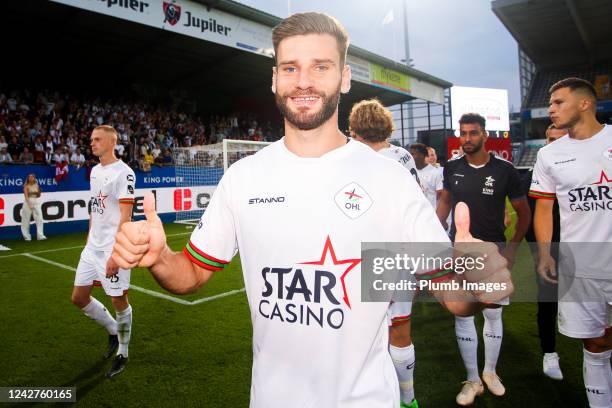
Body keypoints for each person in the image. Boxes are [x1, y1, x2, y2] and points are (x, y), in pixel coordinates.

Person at [111, 13, 513, 408]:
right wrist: (161, 258)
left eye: (321, 66)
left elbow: (455, 299)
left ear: (344, 77)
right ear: (274, 79)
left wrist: (482, 286)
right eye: (290, 67)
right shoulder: (243, 177)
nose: (303, 81)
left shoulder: (389, 179)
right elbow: (193, 273)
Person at [436, 113, 531, 406]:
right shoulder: (451, 167)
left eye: (473, 133)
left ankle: (490, 372)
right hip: (460, 253)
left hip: (493, 253)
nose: (467, 139)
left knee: (492, 313)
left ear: (484, 135)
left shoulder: (505, 170)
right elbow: (444, 204)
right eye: (463, 133)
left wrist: (513, 249)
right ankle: (472, 379)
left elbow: (523, 212)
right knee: (463, 314)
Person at [530, 77, 612, 408]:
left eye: (558, 102)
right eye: (549, 103)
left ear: (584, 103)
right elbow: (545, 208)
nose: (551, 109)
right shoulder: (550, 155)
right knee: (594, 344)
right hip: (581, 267)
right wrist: (546, 253)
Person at [348, 98, 422, 408]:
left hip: (357, 256)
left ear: (355, 128)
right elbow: (417, 206)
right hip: (400, 253)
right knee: (400, 328)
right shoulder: (402, 156)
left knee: (359, 335)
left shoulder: (347, 159)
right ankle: (408, 399)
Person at [71, 125, 135, 379]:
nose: (92, 143)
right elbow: (94, 207)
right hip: (92, 247)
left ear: (111, 142)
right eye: (91, 140)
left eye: (97, 140)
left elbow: (125, 216)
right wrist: (89, 236)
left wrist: (116, 254)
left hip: (112, 247)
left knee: (119, 300)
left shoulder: (124, 173)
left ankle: (123, 351)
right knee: (78, 297)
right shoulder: (95, 171)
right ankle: (111, 330)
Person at [523, 124, 567, 380]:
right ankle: (549, 353)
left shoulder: (584, 170)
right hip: (548, 248)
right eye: (550, 139)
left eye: (560, 139)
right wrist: (539, 252)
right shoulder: (535, 175)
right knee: (548, 298)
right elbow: (530, 218)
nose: (553, 145)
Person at [410, 143, 443, 209]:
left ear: (422, 155)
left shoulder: (435, 173)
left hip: (431, 214)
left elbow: (440, 195)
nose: (411, 156)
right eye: (411, 154)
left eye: (413, 154)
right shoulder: (409, 172)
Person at [21, 173, 46, 241]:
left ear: (34, 178)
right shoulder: (26, 186)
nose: (31, 178)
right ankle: (26, 236)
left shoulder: (36, 185)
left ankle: (40, 235)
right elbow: (26, 196)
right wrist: (29, 204)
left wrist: (38, 192)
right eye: (29, 177)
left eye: (32, 177)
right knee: (25, 219)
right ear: (28, 179)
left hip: (36, 201)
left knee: (39, 218)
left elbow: (39, 195)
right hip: (28, 202)